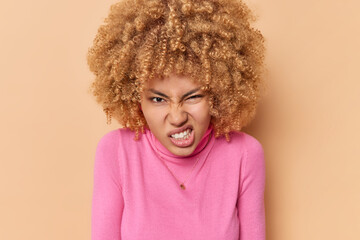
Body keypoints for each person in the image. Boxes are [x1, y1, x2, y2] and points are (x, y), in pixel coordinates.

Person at [87, 0, 266, 239]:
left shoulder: (244, 155)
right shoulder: (116, 152)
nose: (177, 117)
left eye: (192, 97)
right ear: (134, 97)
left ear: (218, 92)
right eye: (158, 100)